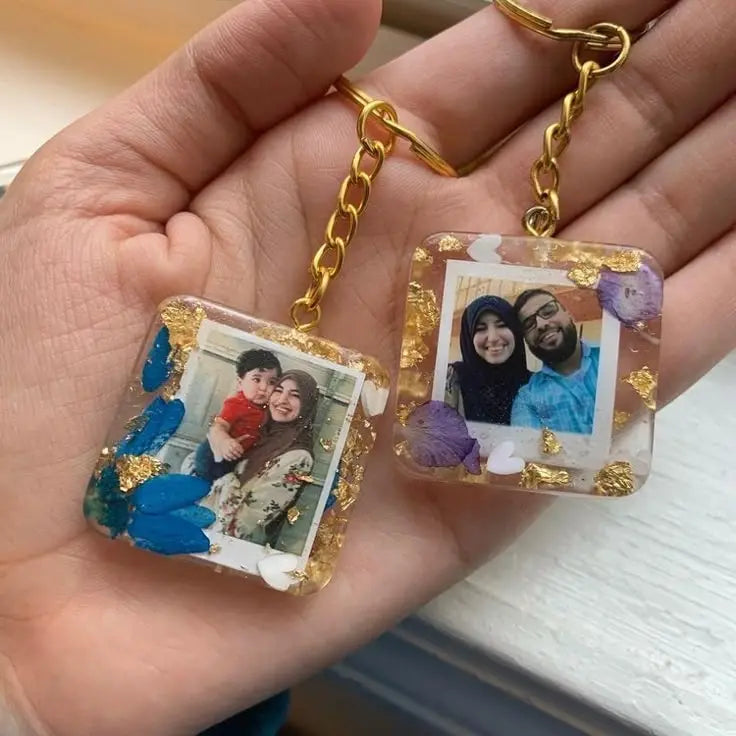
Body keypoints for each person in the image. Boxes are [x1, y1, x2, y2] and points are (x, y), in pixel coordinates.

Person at [0, 1, 732, 734]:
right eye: (269, 386)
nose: (274, 395)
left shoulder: (563, 383)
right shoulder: (435, 395)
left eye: (281, 389)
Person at [210, 370, 319, 546]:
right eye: (278, 390)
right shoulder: (262, 436)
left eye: (295, 395)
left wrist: (225, 474)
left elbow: (245, 523)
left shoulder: (299, 457)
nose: (282, 400)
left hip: (232, 545)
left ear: (307, 405)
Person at [511, 289, 599, 434]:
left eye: (548, 311)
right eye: (528, 324)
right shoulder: (527, 401)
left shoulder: (615, 359)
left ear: (568, 314)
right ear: (526, 340)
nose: (541, 324)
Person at [193, 348, 282, 482]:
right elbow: (219, 426)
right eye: (257, 379)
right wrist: (224, 441)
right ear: (240, 383)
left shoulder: (269, 409)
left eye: (271, 382)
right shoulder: (237, 403)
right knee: (209, 479)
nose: (264, 387)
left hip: (237, 457)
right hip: (214, 453)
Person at [445, 295, 530, 424]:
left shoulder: (536, 386)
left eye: (502, 325)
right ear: (469, 337)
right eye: (480, 329)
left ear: (515, 331)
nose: (493, 338)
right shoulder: (450, 382)